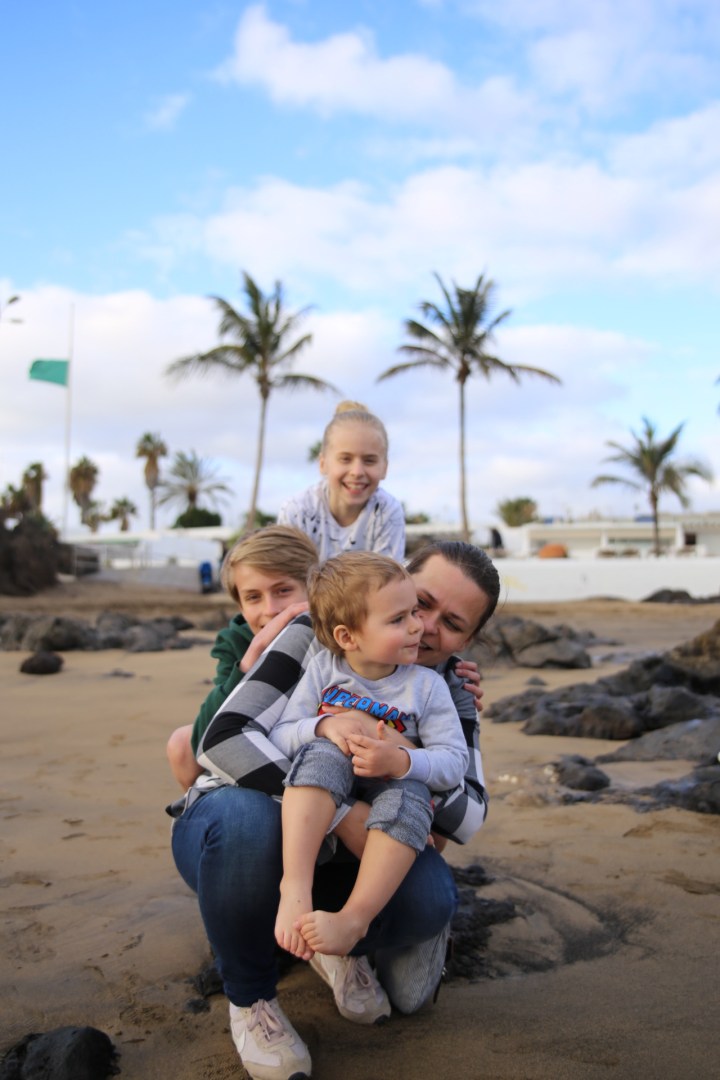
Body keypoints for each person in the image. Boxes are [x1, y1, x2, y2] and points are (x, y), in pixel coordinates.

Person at [171, 540, 500, 1080]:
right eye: (419, 603)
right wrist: (341, 807)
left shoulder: (446, 686)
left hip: (364, 848)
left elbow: (467, 815)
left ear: (468, 640)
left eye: (453, 623)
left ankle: (339, 938)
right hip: (255, 829)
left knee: (431, 901)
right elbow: (222, 739)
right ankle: (252, 999)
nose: (424, 625)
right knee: (248, 822)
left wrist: (404, 756)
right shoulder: (319, 635)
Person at [271, 552, 469, 961]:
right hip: (327, 793)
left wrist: (401, 762)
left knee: (411, 797)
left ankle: (355, 918)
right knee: (320, 754)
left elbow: (454, 763)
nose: (417, 627)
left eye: (413, 611)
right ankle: (295, 885)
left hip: (390, 795)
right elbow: (281, 733)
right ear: (348, 637)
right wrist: (324, 726)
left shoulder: (427, 686)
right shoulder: (324, 669)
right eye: (398, 619)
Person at [166, 525, 319, 790]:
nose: (271, 610)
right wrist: (251, 657)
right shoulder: (236, 642)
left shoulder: (334, 635)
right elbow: (204, 736)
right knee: (180, 743)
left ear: (313, 590)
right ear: (240, 606)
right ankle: (201, 804)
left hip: (310, 742)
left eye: (283, 590)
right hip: (251, 743)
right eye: (253, 597)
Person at [278, 401, 405, 562]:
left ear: (384, 468)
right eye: (345, 459)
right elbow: (287, 574)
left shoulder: (388, 512)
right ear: (323, 463)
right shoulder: (297, 511)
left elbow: (387, 577)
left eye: (369, 460)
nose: (357, 472)